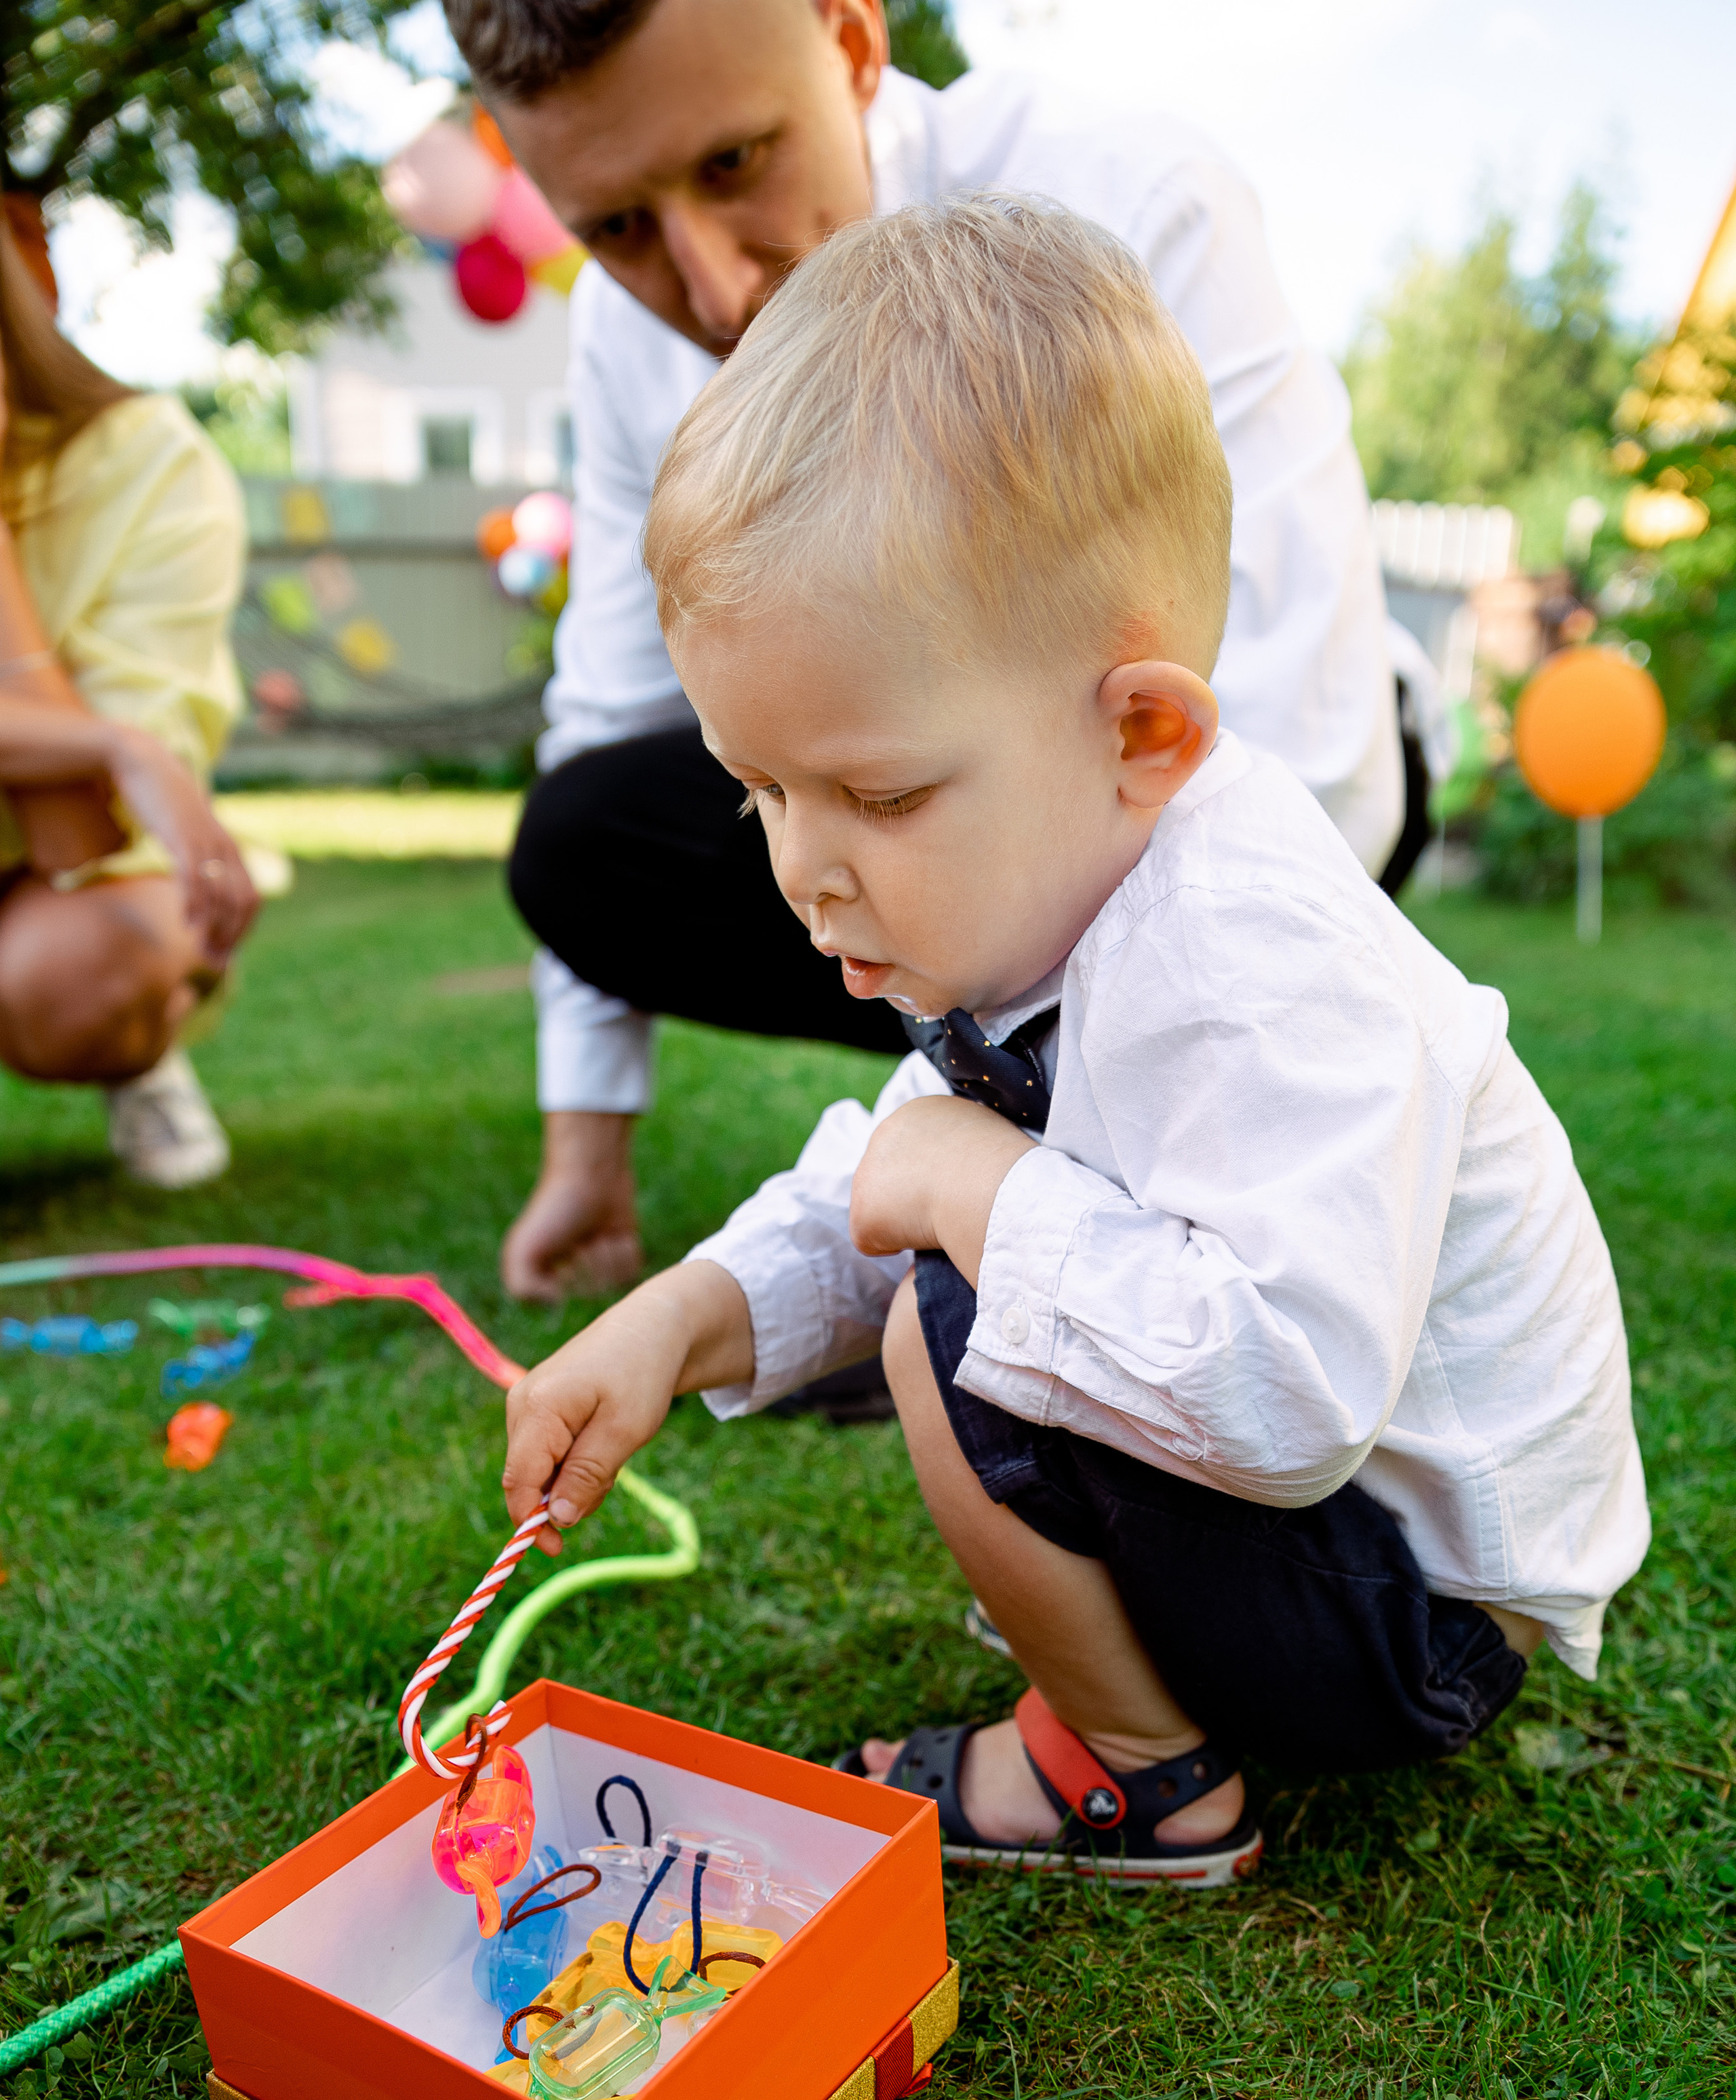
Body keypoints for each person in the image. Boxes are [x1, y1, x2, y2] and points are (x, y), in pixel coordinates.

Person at [500, 197, 1649, 1882]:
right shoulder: (1071, 889)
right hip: (1333, 1561)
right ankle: (1151, 1660)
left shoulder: (1260, 967)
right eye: (759, 790)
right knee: (951, 1225)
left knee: (950, 1313)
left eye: (877, 794)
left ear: (1144, 732)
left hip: (1421, 1619)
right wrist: (682, 1322)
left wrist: (979, 1196)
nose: (800, 866)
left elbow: (1288, 1394)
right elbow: (879, 1167)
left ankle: (1135, 1771)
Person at [446, 0, 1408, 1302]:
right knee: (583, 835)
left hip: (1257, 799)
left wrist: (1071, 1167)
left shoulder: (1136, 192)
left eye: (736, 163)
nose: (717, 288)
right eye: (617, 229)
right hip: (998, 857)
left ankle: (1050, 1148)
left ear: (850, 39)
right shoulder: (626, 344)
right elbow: (614, 711)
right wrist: (586, 1148)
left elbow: (1317, 731)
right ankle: (982, 1079)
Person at [0, 218, 262, 1187]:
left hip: (56, 877)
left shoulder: (150, 467)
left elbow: (77, 841)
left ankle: (143, 1046)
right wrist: (102, 740)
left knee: (73, 975)